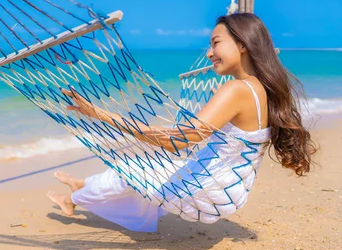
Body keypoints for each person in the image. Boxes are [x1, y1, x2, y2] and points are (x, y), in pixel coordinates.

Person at [47, 13, 318, 232]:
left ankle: (70, 199)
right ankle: (81, 187)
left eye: (215, 43)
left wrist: (99, 114)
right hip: (227, 189)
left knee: (135, 168)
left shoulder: (236, 91)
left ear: (243, 44)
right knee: (143, 168)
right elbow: (240, 128)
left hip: (207, 194)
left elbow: (175, 141)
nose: (210, 52)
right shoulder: (260, 90)